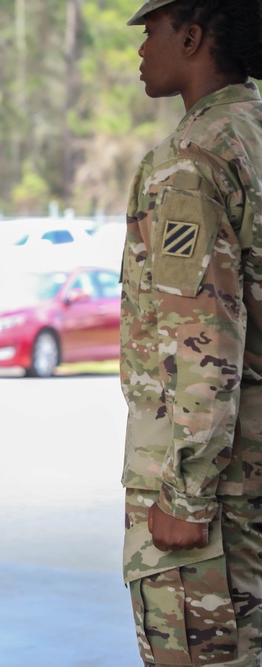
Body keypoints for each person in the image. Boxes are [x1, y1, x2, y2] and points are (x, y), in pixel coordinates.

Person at [120, 1, 262, 665]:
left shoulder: (191, 157)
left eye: (151, 31)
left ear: (194, 35)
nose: (141, 49)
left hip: (216, 491)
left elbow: (204, 336)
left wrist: (187, 491)